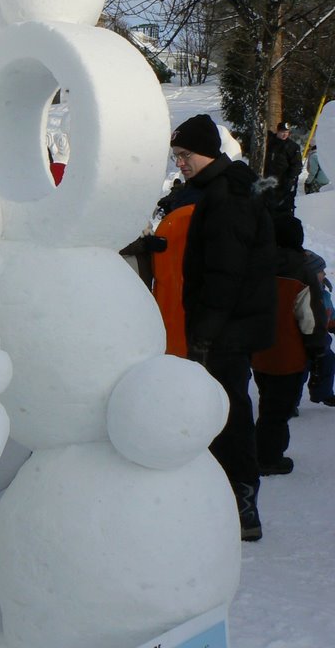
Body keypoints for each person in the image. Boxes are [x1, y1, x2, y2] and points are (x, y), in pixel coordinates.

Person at [171, 113, 276, 541]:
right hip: (231, 324)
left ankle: (242, 504)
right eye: (176, 156)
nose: (179, 163)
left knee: (228, 416)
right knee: (223, 411)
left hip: (229, 328)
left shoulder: (228, 197)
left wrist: (205, 333)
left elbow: (224, 274)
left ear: (208, 152)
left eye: (185, 155)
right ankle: (227, 499)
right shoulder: (219, 189)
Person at [252, 215, 330, 476]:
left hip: (259, 350)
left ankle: (263, 450)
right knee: (279, 410)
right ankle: (268, 457)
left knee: (268, 403)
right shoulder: (301, 271)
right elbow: (309, 320)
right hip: (289, 354)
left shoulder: (257, 265)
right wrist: (318, 348)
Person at [264, 121, 302, 214]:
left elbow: (296, 166)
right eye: (282, 132)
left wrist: (289, 180)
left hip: (283, 183)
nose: (285, 134)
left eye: (287, 132)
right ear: (277, 131)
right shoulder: (269, 142)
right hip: (268, 180)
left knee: (283, 207)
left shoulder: (292, 147)